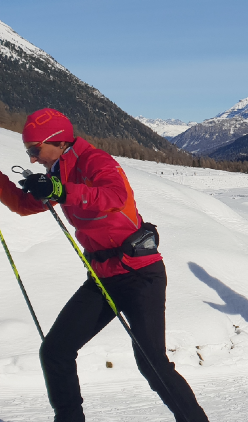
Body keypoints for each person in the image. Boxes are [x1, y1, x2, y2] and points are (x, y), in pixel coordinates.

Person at [0, 109, 209, 422]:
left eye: (34, 150)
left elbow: (113, 195)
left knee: (152, 363)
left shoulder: (95, 160)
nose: (32, 159)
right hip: (102, 278)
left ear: (56, 142)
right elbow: (22, 205)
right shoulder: (60, 169)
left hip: (140, 274)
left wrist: (60, 190)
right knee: (55, 351)